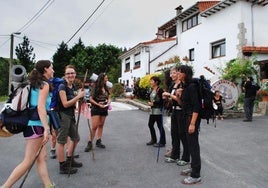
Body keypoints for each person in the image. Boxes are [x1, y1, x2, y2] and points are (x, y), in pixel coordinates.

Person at [1, 60, 55, 188]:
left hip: (33, 125)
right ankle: (5, 186)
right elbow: (40, 107)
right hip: (37, 126)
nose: (53, 70)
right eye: (52, 68)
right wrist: (47, 128)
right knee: (28, 160)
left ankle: (48, 185)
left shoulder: (35, 83)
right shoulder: (44, 84)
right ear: (46, 69)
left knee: (41, 158)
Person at [56, 65, 85, 174]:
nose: (70, 75)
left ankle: (70, 160)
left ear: (75, 74)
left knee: (76, 138)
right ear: (65, 75)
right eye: (68, 73)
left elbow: (73, 101)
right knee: (61, 141)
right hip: (63, 116)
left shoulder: (71, 86)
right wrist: (78, 97)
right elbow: (65, 104)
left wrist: (80, 99)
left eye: (72, 73)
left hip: (70, 116)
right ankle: (62, 166)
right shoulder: (62, 87)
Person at [178, 65, 202, 184]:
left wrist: (192, 123)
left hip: (191, 118)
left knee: (193, 146)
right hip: (186, 116)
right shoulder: (185, 86)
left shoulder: (192, 86)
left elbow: (196, 106)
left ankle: (196, 175)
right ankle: (193, 167)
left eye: (179, 72)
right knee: (189, 143)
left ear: (185, 74)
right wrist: (178, 94)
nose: (177, 73)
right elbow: (184, 104)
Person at [162, 66, 189, 166]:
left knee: (183, 134)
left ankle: (186, 157)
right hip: (174, 112)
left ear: (178, 73)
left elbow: (181, 102)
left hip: (182, 112)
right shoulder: (173, 84)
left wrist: (170, 95)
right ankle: (174, 155)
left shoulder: (183, 85)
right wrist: (167, 98)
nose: (171, 75)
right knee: (174, 134)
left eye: (173, 73)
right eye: (170, 73)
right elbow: (172, 100)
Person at [84, 73, 111, 151]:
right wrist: (98, 104)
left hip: (104, 108)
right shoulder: (95, 87)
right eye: (106, 78)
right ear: (102, 79)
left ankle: (98, 141)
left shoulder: (106, 87)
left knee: (101, 125)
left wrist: (109, 101)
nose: (107, 80)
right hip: (96, 108)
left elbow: (109, 96)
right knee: (94, 126)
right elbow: (91, 99)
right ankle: (89, 143)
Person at [146, 76, 166, 147]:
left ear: (156, 82)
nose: (150, 82)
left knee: (159, 126)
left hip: (158, 111)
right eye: (150, 81)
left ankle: (162, 142)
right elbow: (150, 98)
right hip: (152, 111)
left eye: (152, 81)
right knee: (150, 124)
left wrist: (154, 103)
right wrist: (149, 102)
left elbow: (162, 101)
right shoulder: (152, 89)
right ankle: (153, 139)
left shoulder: (160, 90)